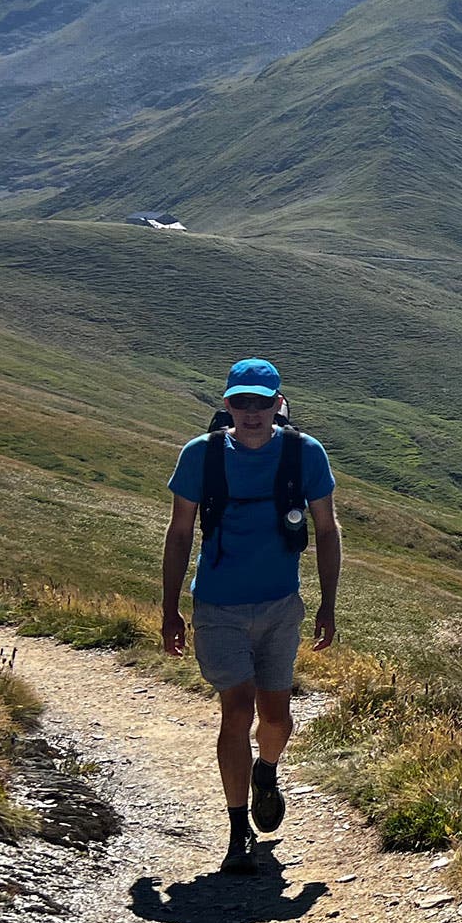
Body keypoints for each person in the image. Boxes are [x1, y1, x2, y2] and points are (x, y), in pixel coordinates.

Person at [159, 358, 341, 873]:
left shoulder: (306, 454)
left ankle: (267, 770)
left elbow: (327, 531)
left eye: (263, 402)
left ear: (279, 404)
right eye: (242, 402)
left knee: (277, 719)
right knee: (237, 712)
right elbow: (178, 533)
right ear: (227, 404)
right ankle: (237, 831)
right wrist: (170, 608)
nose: (252, 412)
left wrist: (328, 603)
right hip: (218, 606)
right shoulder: (201, 456)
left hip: (282, 606)